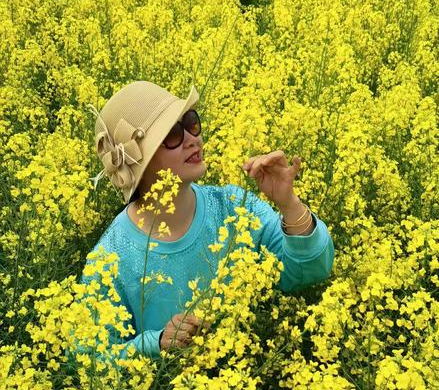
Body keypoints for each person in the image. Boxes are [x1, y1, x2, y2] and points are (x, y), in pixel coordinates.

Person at [82, 80, 335, 360]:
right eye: (173, 134)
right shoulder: (110, 258)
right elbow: (89, 359)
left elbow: (311, 270)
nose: (193, 139)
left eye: (191, 122)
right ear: (140, 162)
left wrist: (288, 203)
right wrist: (156, 344)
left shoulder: (234, 208)